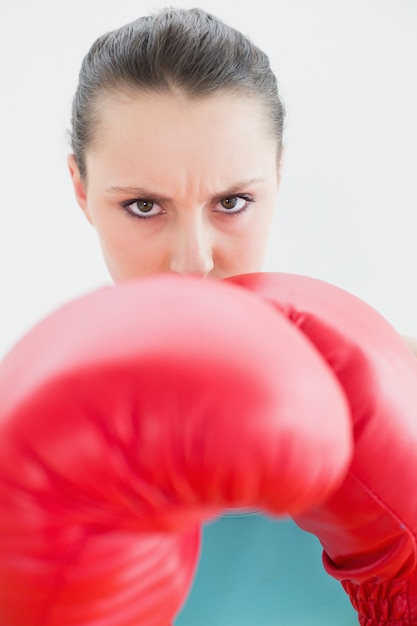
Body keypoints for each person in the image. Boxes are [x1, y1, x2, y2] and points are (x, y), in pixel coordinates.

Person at [1, 7, 416, 626]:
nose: (192, 263)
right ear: (82, 190)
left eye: (232, 202)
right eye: (144, 205)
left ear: (277, 174)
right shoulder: (23, 452)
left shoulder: (403, 390)